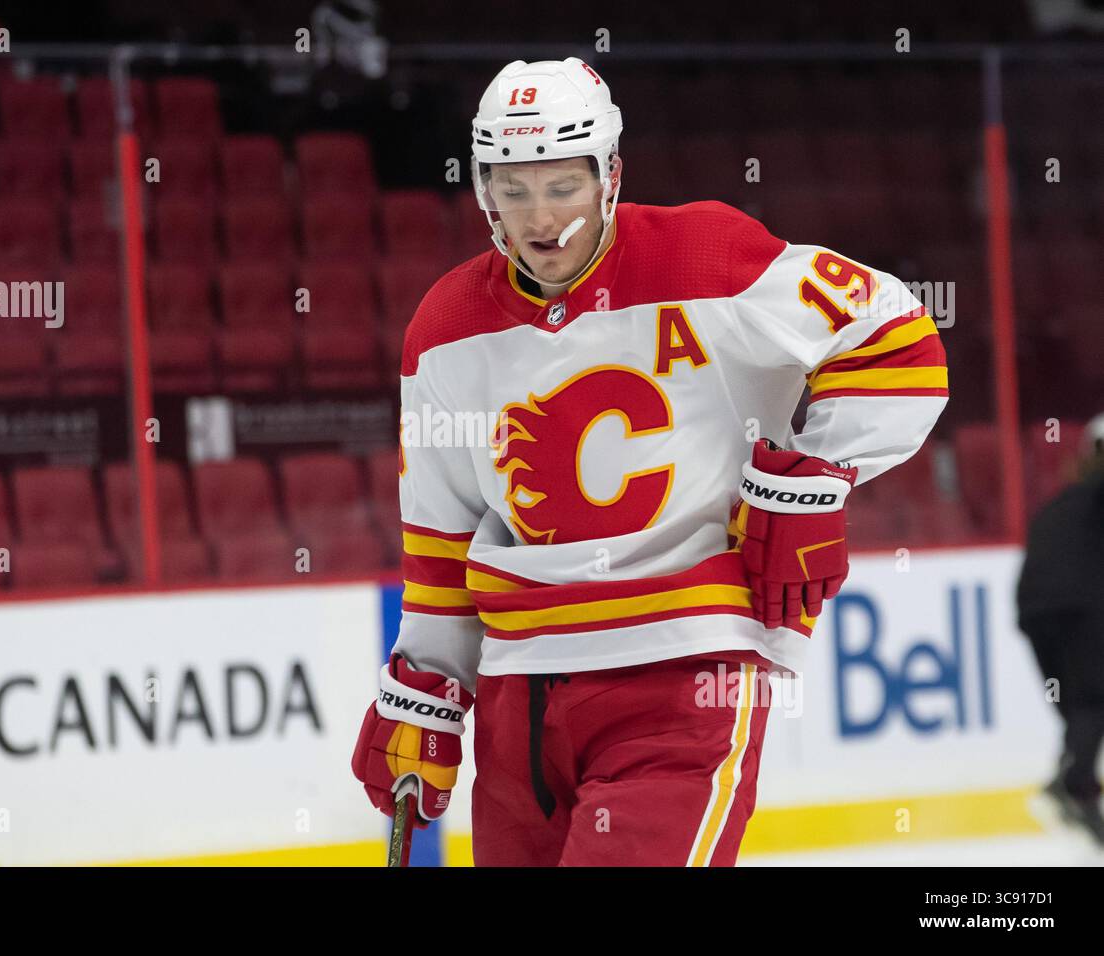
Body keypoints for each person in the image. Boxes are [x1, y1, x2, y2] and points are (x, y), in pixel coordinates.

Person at [352, 58, 948, 865]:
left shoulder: (710, 257)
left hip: (685, 682)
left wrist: (812, 477)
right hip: (518, 699)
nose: (540, 218)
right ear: (483, 188)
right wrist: (425, 690)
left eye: (562, 186)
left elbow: (898, 335)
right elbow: (441, 544)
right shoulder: (445, 326)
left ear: (610, 175)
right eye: (512, 189)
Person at [1018, 413, 1104, 845]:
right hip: (1074, 609)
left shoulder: (1063, 501)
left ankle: (1070, 777)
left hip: (1036, 611)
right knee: (1093, 699)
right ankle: (1075, 786)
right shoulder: (1092, 498)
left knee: (1079, 703)